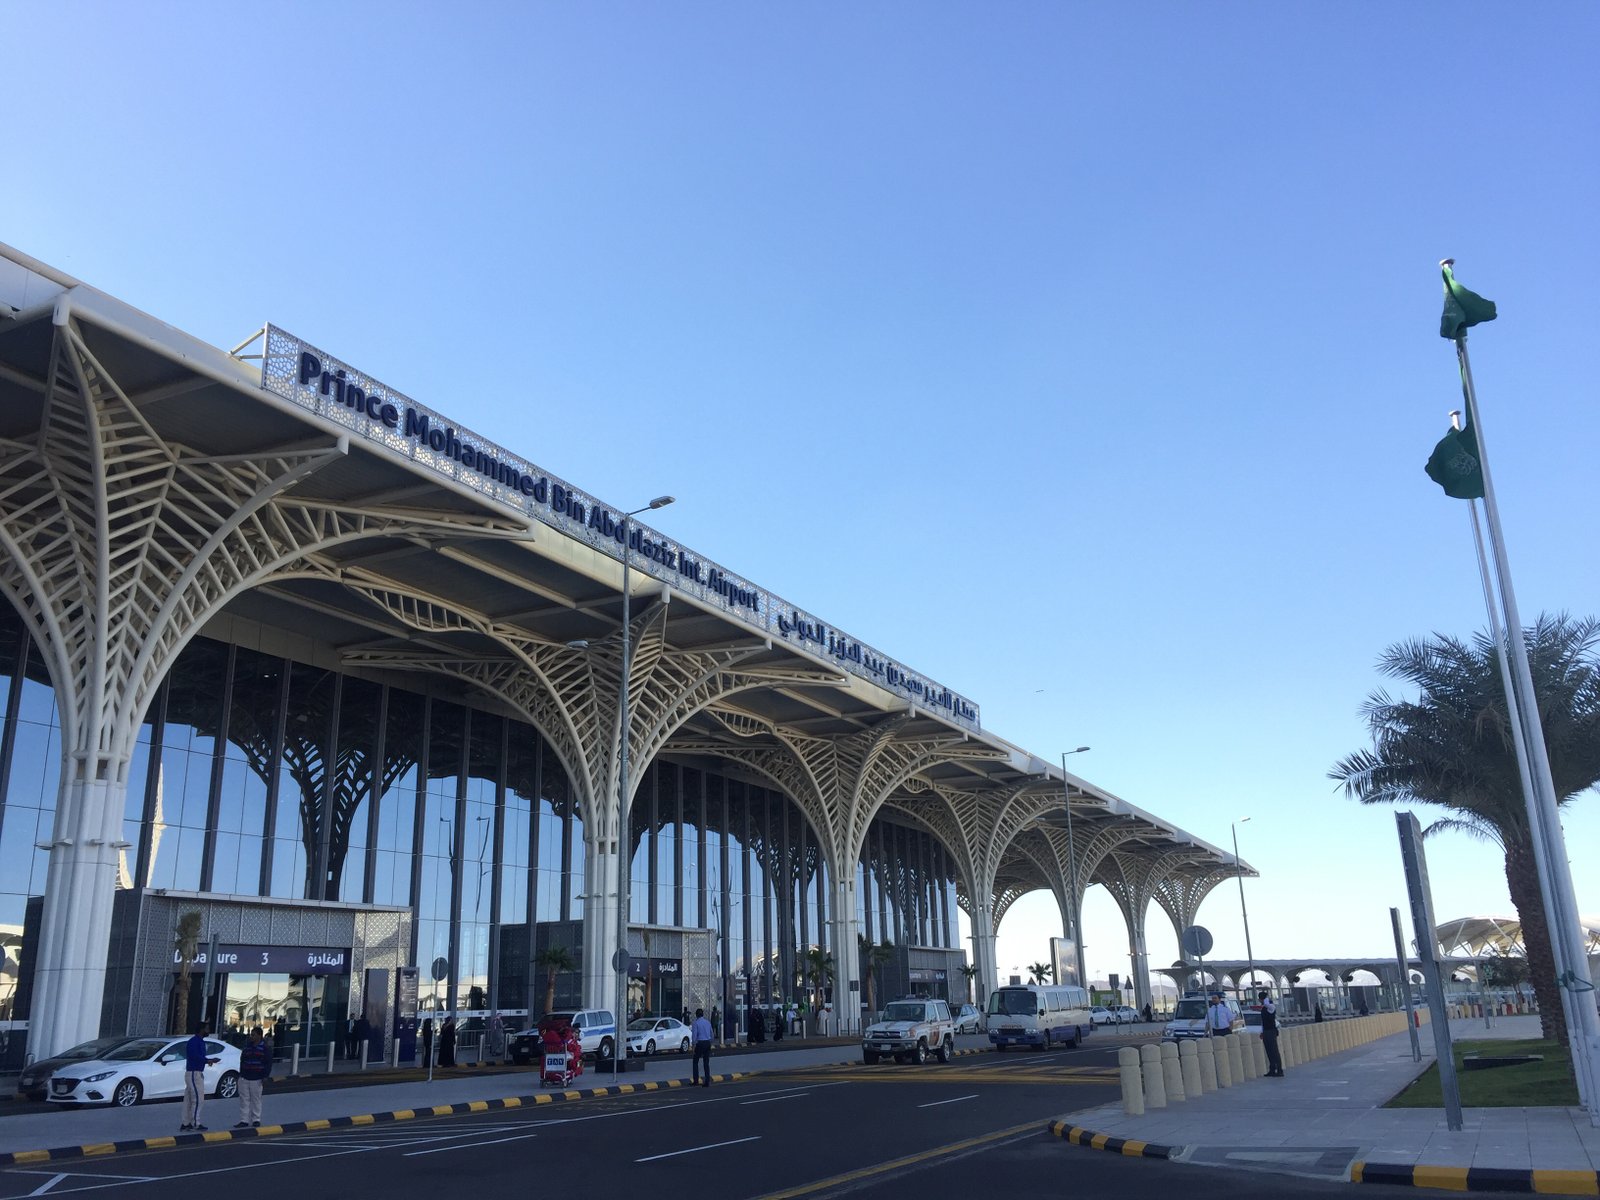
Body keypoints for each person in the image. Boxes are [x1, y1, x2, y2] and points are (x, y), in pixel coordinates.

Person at [180, 1021, 220, 1132]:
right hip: (194, 1073)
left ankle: (186, 1122)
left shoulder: (199, 1041)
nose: (208, 1031)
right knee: (198, 1099)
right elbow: (195, 1056)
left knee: (189, 1099)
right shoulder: (194, 1042)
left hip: (195, 1072)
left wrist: (207, 1061)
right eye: (207, 1028)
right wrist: (208, 1060)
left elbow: (197, 1056)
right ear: (201, 1029)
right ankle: (195, 1123)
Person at [235, 1026, 271, 1127]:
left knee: (256, 1099)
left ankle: (256, 1119)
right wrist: (241, 1074)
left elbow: (268, 1063)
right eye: (251, 1034)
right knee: (244, 1099)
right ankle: (244, 1120)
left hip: (257, 1078)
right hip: (245, 1077)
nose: (251, 1036)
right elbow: (242, 1060)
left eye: (253, 1035)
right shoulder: (247, 1047)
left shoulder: (265, 1048)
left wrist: (265, 1076)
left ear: (259, 1036)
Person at [1257, 991, 1284, 1077]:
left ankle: (1279, 1070)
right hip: (1266, 1031)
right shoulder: (1264, 1008)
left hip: (1271, 1031)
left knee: (1274, 1051)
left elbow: (1267, 1004)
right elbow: (1263, 1022)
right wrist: (1262, 1031)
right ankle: (1272, 1069)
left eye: (1260, 999)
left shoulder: (1271, 1006)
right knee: (1269, 1051)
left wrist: (1266, 999)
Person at [690, 1008, 713, 1087]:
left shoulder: (695, 1023)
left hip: (700, 1043)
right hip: (707, 1042)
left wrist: (693, 1046)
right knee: (706, 1062)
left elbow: (694, 1036)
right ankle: (707, 1081)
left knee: (695, 1061)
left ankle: (696, 1080)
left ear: (696, 1015)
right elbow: (712, 1034)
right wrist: (710, 1043)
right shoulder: (708, 1022)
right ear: (703, 1014)